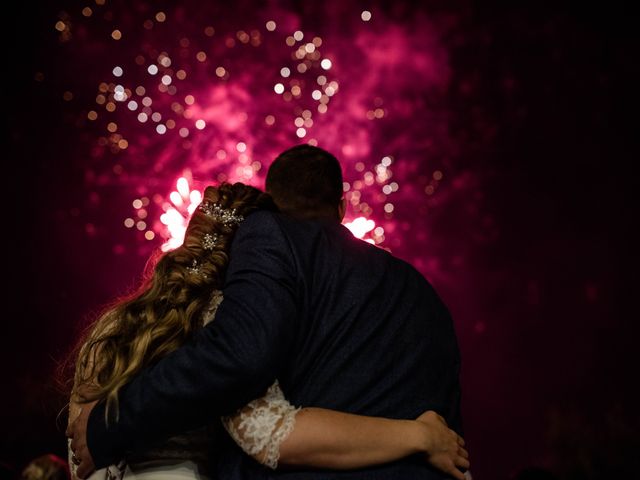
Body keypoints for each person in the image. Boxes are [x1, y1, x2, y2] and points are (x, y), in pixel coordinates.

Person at [67, 145, 467, 479]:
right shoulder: (418, 288)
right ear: (343, 207)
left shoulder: (119, 325)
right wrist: (421, 437)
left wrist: (109, 425)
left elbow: (251, 387)